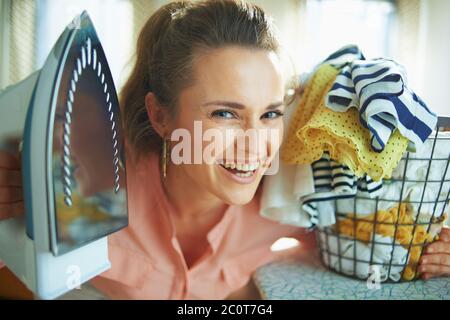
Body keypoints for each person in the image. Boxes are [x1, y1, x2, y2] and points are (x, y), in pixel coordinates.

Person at [0, 0, 449, 299]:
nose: (256, 146)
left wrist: (440, 248)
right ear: (160, 116)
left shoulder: (296, 194)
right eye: (225, 114)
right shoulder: (84, 184)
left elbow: (389, 236)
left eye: (270, 113)